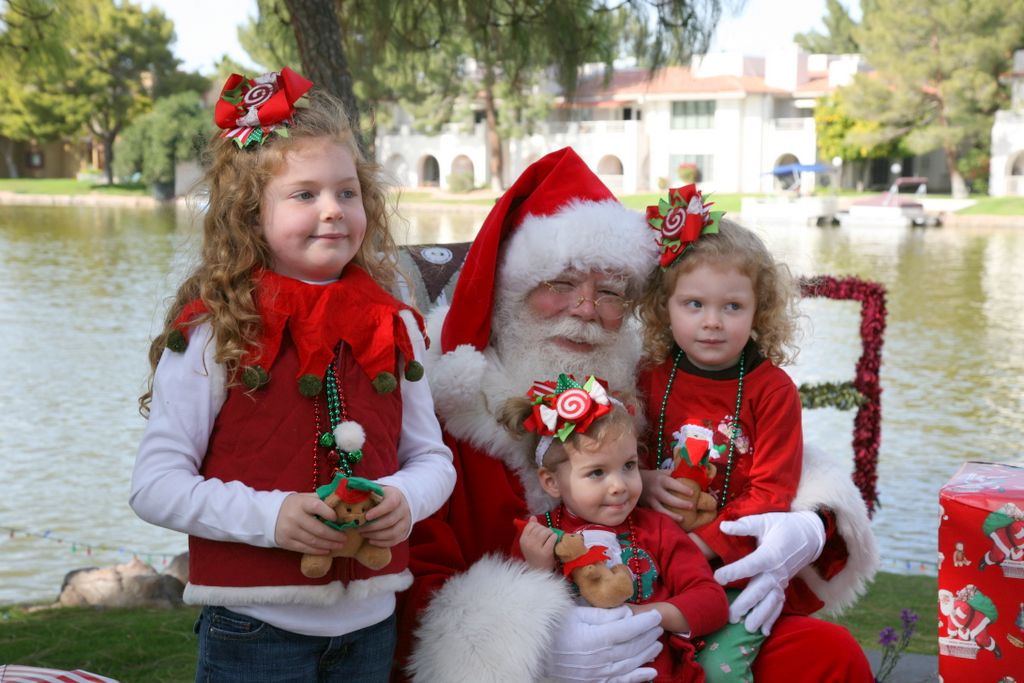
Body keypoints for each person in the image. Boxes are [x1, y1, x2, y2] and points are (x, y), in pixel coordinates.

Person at [397, 147, 877, 682]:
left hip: (668, 608)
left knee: (826, 654)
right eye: (560, 284)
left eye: (608, 292)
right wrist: (535, 634)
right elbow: (414, 578)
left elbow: (744, 449)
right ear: (511, 291)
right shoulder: (449, 402)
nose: (585, 309)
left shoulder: (640, 379)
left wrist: (812, 519)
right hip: (533, 653)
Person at [129, 68, 455, 683]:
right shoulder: (214, 331)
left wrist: (406, 500)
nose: (332, 210)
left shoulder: (397, 325)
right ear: (251, 216)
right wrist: (274, 517)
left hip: (371, 627)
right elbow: (155, 486)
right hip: (255, 630)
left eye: (347, 192)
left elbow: (432, 459)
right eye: (304, 195)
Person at [636, 188, 806, 679]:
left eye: (732, 306)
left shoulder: (772, 391)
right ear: (665, 306)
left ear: (759, 311)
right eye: (694, 304)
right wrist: (645, 480)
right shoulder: (650, 375)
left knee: (721, 668)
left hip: (731, 564)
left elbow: (772, 491)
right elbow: (625, 457)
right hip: (650, 552)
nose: (712, 322)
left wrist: (704, 546)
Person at [502, 374, 729, 682]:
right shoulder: (538, 539)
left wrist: (641, 615)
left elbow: (712, 603)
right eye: (597, 472)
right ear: (551, 482)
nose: (619, 486)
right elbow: (521, 629)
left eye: (629, 466)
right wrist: (539, 570)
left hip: (654, 672)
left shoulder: (657, 529)